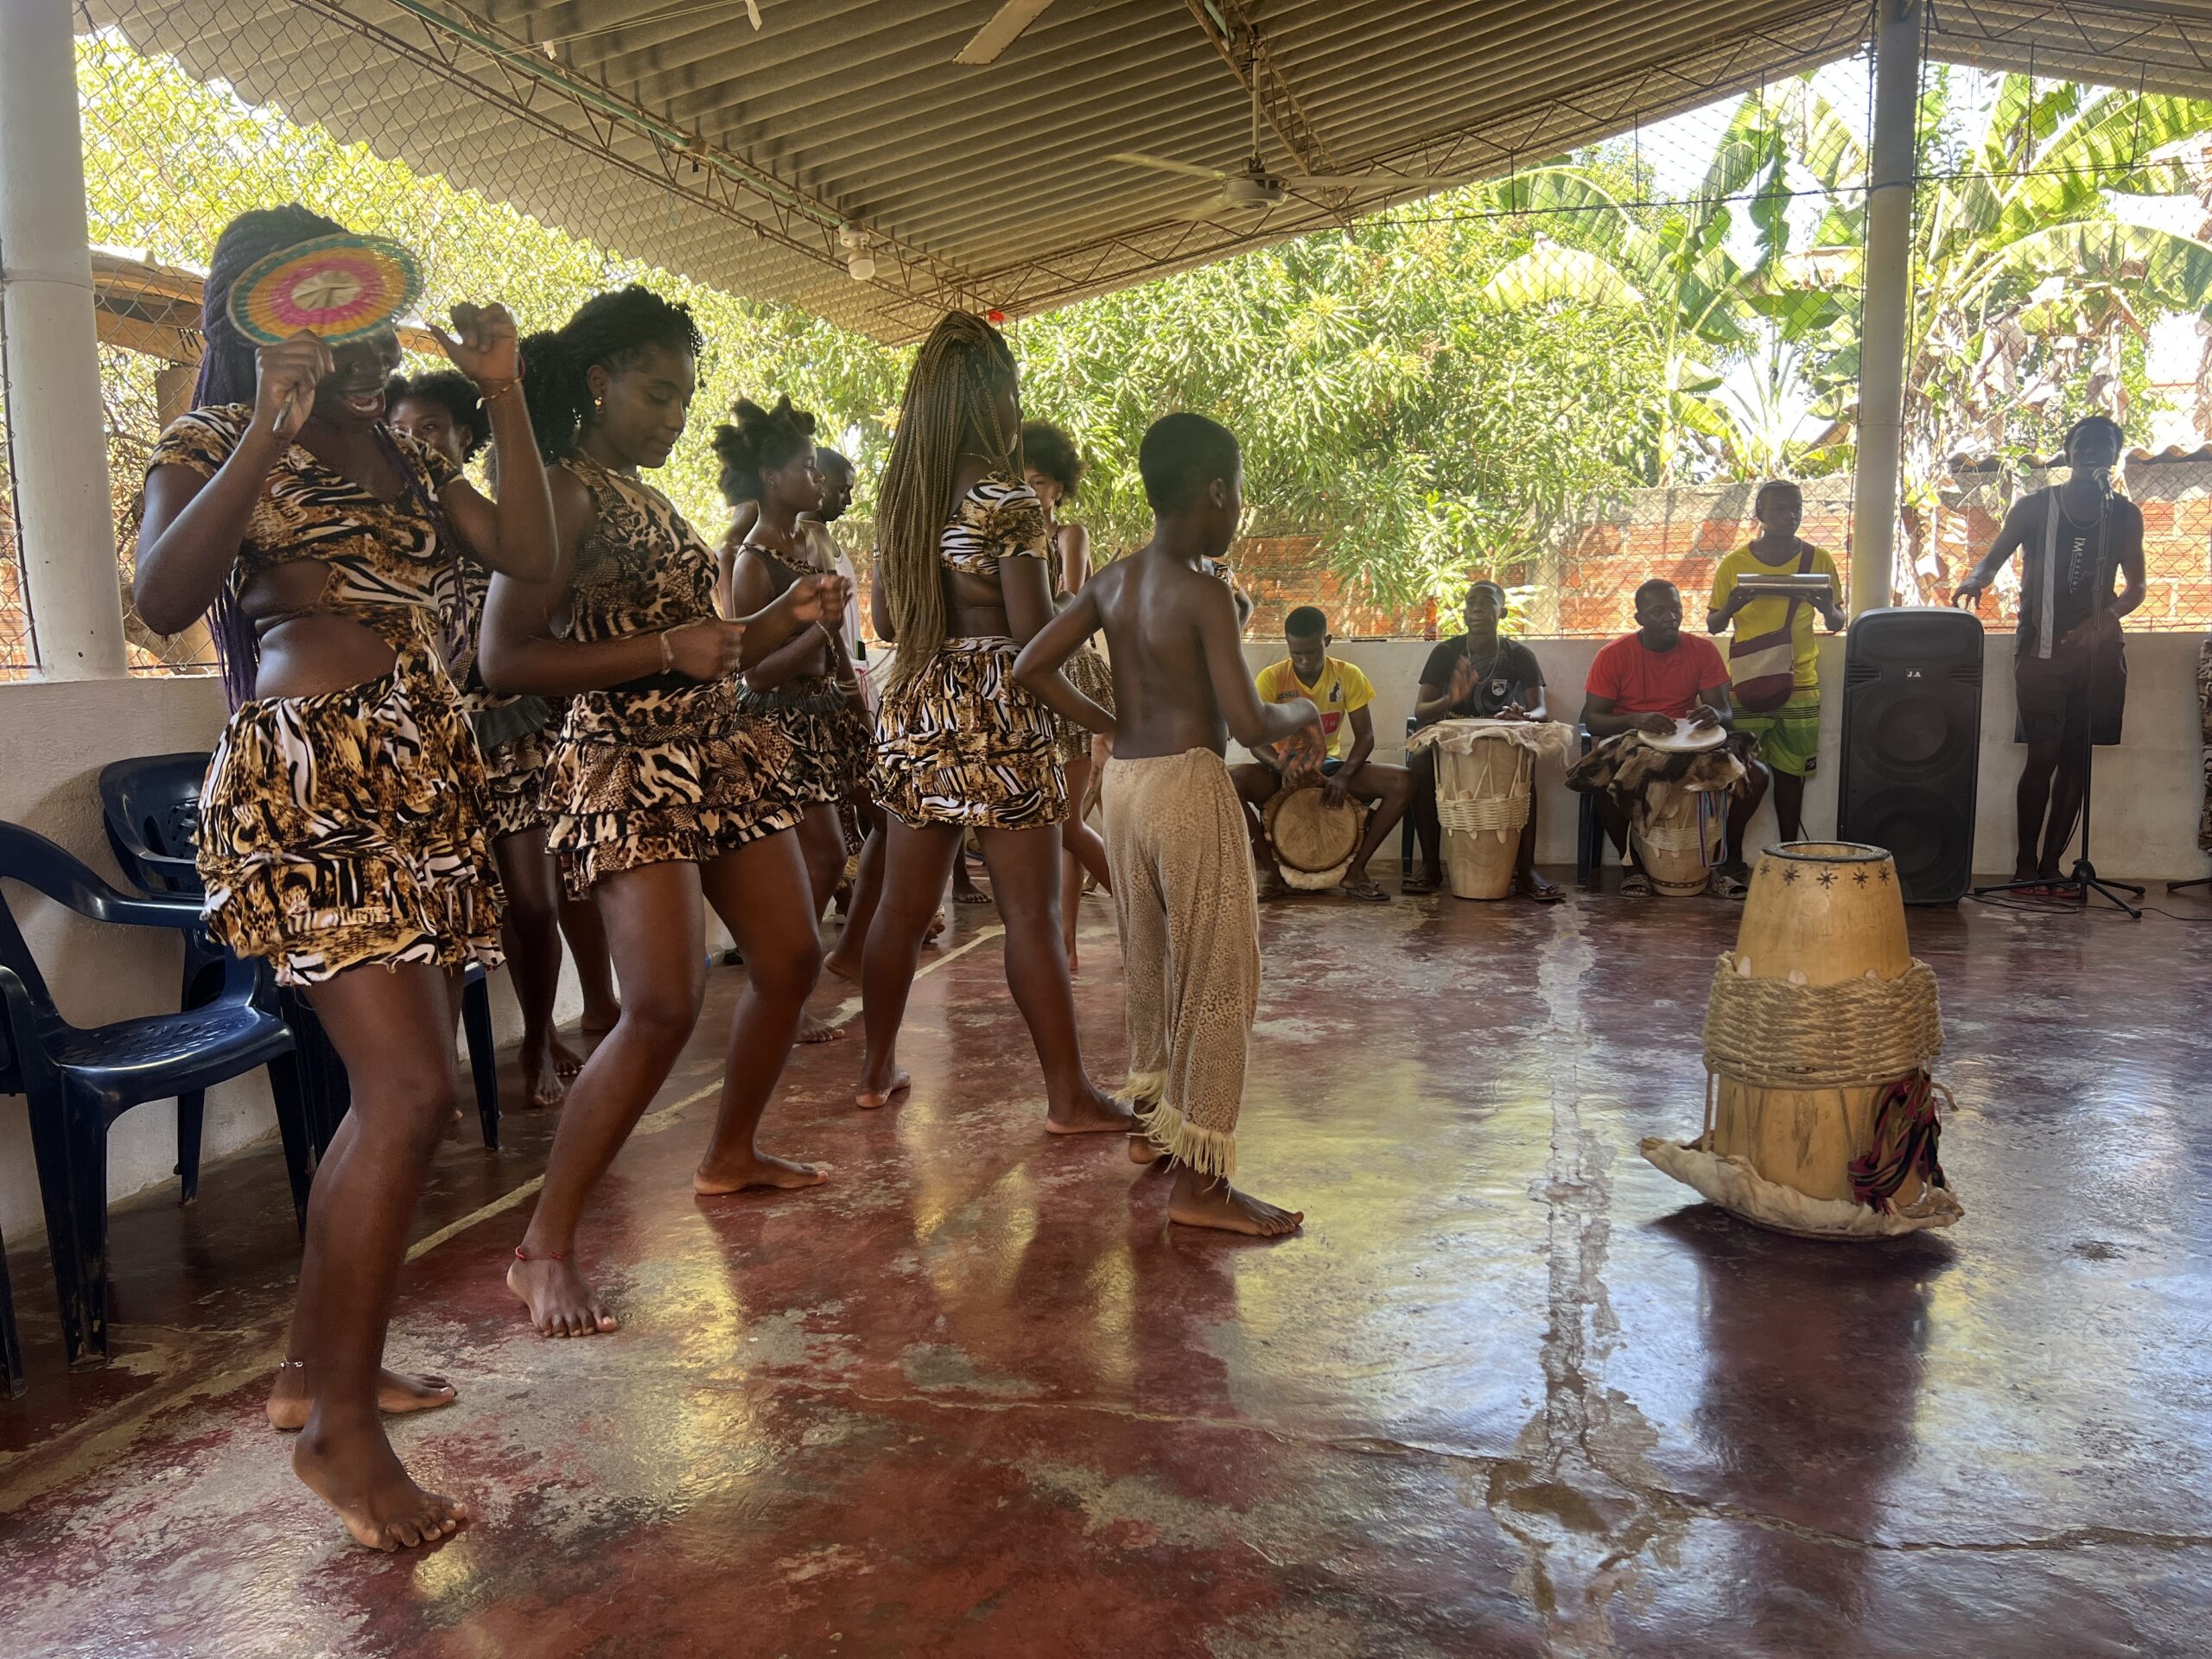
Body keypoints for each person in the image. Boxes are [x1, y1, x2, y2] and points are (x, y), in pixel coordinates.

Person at [133, 207, 559, 1550]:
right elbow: (158, 596)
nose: (345, 328)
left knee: (389, 1099)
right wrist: (264, 423)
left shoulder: (402, 444)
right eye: (310, 304)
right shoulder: (213, 439)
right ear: (256, 317)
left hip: (422, 777)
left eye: (356, 302)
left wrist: (503, 399)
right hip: (312, 782)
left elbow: (531, 561)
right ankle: (338, 1434)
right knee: (411, 1091)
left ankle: (318, 1375)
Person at [481, 286, 849, 1340]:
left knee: (788, 960)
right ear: (598, 383)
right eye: (657, 393)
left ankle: (729, 1155)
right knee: (662, 1006)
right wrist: (661, 653)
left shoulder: (641, 493)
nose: (675, 414)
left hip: (714, 750)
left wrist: (782, 614)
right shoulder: (560, 494)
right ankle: (541, 1248)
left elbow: (706, 641)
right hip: (630, 765)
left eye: (685, 397)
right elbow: (505, 658)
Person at [1014, 412, 1307, 1236]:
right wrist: (1304, 709)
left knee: (1151, 960)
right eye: (1239, 492)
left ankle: (1155, 1129)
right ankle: (1203, 1188)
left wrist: (1106, 715)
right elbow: (1249, 722)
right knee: (1219, 975)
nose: (1240, 506)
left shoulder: (1112, 579)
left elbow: (1029, 665)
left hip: (1126, 786)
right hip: (1185, 784)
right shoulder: (1206, 589)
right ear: (1215, 491)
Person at [856, 310, 1127, 1134]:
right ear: (991, 400)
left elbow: (892, 625)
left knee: (899, 912)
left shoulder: (903, 503)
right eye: (1010, 391)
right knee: (1033, 916)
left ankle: (875, 1070)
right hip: (1000, 714)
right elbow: (1031, 637)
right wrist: (1107, 702)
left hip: (918, 708)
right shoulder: (1009, 504)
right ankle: (1068, 1095)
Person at [387, 370, 604, 1104]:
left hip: (510, 735)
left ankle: (539, 1039)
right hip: (427, 744)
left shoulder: (493, 519)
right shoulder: (388, 521)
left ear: (463, 437)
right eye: (405, 430)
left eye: (431, 430)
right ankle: (437, 1072)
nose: (416, 442)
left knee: (533, 904)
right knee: (445, 915)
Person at [713, 397, 874, 1042]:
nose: (819, 478)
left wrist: (849, 689)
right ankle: (785, 985)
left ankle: (827, 961)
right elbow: (755, 673)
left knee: (883, 820)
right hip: (780, 724)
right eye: (807, 467)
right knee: (827, 854)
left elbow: (829, 641)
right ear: (773, 479)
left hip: (825, 710)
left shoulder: (809, 538)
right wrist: (818, 632)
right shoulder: (753, 561)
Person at [1953, 415, 2145, 891]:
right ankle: (2023, 864)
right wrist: (1977, 577)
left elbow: (2137, 587)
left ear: (2114, 456)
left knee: (2078, 760)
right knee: (2043, 755)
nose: (2092, 450)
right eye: (2083, 443)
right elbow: (1991, 558)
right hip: (2041, 652)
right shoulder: (2035, 506)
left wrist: (2106, 618)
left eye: (2104, 444)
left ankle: (2053, 866)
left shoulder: (2124, 514)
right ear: (2068, 452)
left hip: (2099, 657)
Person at [1580, 579, 1767, 898]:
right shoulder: (1613, 655)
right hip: (1633, 737)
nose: (1671, 617)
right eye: (1659, 611)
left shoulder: (1702, 650)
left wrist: (1713, 714)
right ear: (1640, 618)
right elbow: (1592, 719)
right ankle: (1632, 867)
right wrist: (1636, 720)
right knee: (1598, 778)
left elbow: (1725, 712)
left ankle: (1720, 859)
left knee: (1758, 775)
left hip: (1692, 737)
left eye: (1676, 609)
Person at [1230, 607, 1412, 902]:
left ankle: (1356, 872)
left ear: (1326, 641)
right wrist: (1279, 765)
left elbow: (1365, 737)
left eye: (1312, 652)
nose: (1303, 660)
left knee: (1402, 781)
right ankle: (1274, 878)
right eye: (1296, 652)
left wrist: (1343, 776)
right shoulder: (1271, 678)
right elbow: (1255, 740)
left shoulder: (1348, 675)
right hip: (1281, 771)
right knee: (1231, 780)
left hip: (1329, 769)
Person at [1022, 419, 1115, 970]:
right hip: (1031, 680)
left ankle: (1144, 911)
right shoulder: (1007, 540)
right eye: (1022, 482)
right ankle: (1068, 945)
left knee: (1066, 821)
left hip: (1070, 676)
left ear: (1059, 486)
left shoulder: (1066, 536)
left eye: (1038, 483)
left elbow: (1069, 601)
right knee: (1060, 826)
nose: (1030, 493)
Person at [1707, 480, 1846, 842]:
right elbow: (1713, 624)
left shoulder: (1819, 560)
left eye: (1796, 507)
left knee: (1792, 774)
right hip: (1747, 680)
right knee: (1740, 772)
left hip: (1800, 682)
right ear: (1760, 515)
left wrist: (1827, 607)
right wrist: (1732, 606)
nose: (1790, 515)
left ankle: (1789, 850)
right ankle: (1730, 854)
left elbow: (1836, 622)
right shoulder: (1734, 563)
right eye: (1780, 509)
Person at [1406, 579, 1559, 901]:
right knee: (1419, 763)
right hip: (1451, 736)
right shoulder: (1446, 652)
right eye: (1471, 601)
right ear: (1464, 612)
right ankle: (1430, 866)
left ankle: (1527, 870)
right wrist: (1451, 697)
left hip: (1500, 736)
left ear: (1502, 611)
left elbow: (1541, 710)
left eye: (1486, 601)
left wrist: (1525, 717)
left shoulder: (1520, 655)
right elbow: (1421, 711)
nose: (1476, 607)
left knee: (1524, 766)